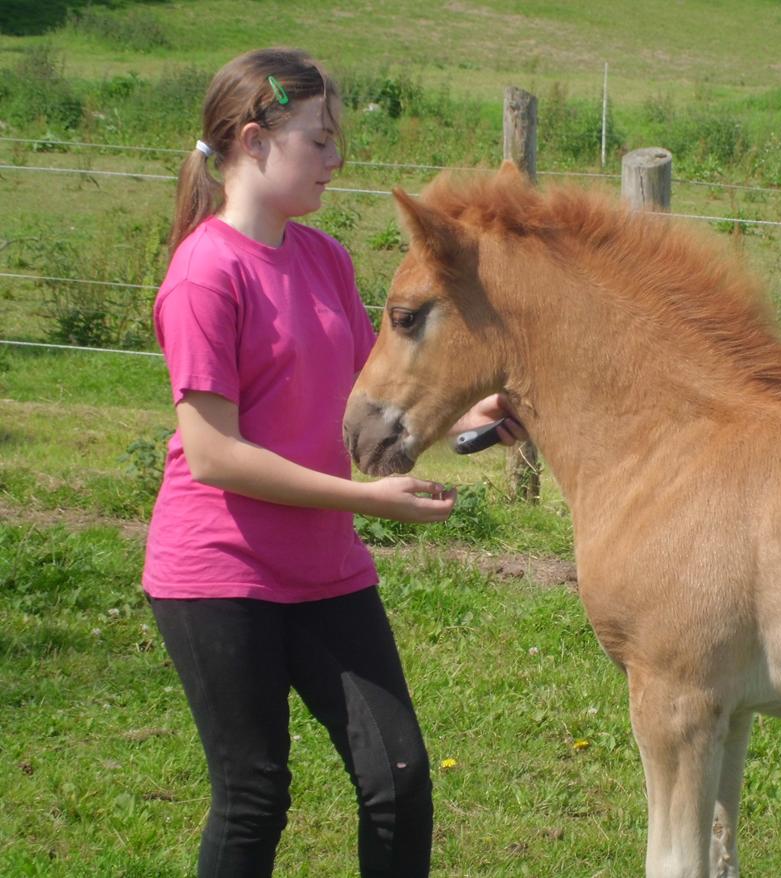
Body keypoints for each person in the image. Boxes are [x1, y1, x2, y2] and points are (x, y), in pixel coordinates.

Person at [143, 47, 523, 878]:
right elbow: (213, 455)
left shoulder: (323, 259)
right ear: (253, 142)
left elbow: (364, 390)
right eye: (318, 139)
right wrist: (367, 499)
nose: (335, 157)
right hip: (218, 574)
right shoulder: (205, 274)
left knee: (399, 779)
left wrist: (483, 412)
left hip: (324, 569)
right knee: (254, 796)